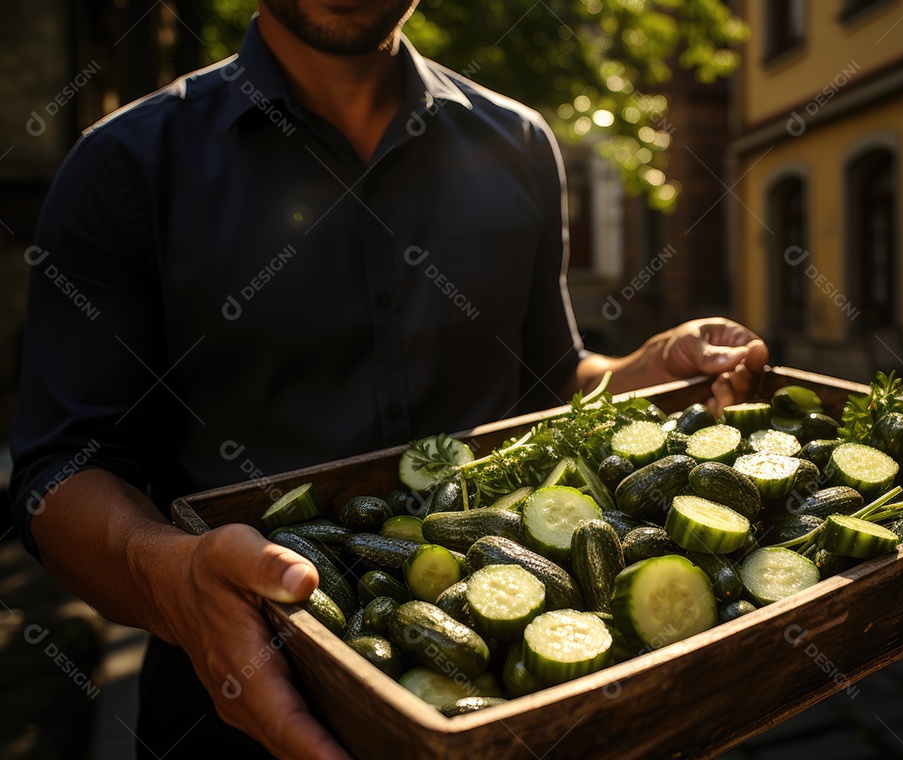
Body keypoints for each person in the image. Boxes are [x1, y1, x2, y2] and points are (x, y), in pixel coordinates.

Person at [9, 2, 767, 758]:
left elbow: (550, 377)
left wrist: (641, 372)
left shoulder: (519, 142)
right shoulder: (123, 167)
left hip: (503, 695)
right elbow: (62, 471)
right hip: (228, 716)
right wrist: (174, 580)